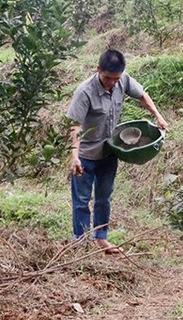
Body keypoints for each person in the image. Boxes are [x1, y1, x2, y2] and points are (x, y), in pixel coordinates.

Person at [66, 49, 169, 253]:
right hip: (86, 154)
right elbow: (74, 126)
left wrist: (157, 115)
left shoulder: (123, 81)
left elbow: (141, 95)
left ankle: (101, 237)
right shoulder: (84, 91)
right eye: (107, 78)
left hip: (109, 152)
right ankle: (80, 241)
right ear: (98, 70)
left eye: (116, 79)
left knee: (104, 197)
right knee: (82, 201)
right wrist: (74, 156)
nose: (112, 83)